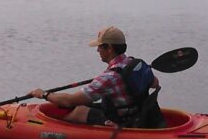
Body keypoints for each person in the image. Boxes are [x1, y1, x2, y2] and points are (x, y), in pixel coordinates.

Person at [29, 26, 158, 125]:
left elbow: (69, 101)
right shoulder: (135, 64)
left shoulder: (109, 77)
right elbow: (154, 83)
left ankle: (56, 132)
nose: (97, 50)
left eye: (100, 47)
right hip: (138, 115)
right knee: (83, 105)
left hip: (123, 121)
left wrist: (44, 94)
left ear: (109, 48)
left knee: (80, 111)